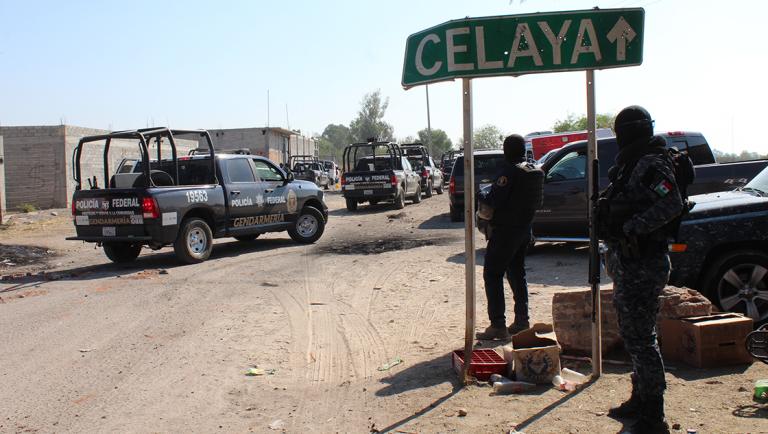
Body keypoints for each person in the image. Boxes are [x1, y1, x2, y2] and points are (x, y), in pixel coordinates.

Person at [602, 106, 683, 434]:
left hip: (644, 263)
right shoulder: (632, 162)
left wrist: (634, 227)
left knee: (642, 338)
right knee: (633, 335)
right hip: (629, 262)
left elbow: (672, 202)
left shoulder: (651, 162)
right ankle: (640, 398)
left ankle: (654, 413)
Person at [476, 134, 543, 340]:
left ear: (506, 151)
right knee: (517, 273)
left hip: (506, 231)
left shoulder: (509, 172)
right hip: (524, 230)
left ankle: (498, 325)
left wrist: (480, 193)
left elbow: (494, 200)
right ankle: (522, 321)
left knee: (493, 274)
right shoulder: (534, 170)